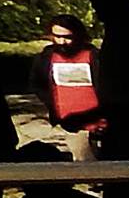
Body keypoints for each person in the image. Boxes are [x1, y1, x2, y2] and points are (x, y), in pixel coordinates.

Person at [39, 13, 107, 152]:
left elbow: (108, 89)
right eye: (57, 37)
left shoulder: (94, 56)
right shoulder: (47, 56)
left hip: (96, 123)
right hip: (66, 124)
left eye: (67, 37)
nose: (62, 42)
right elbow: (38, 83)